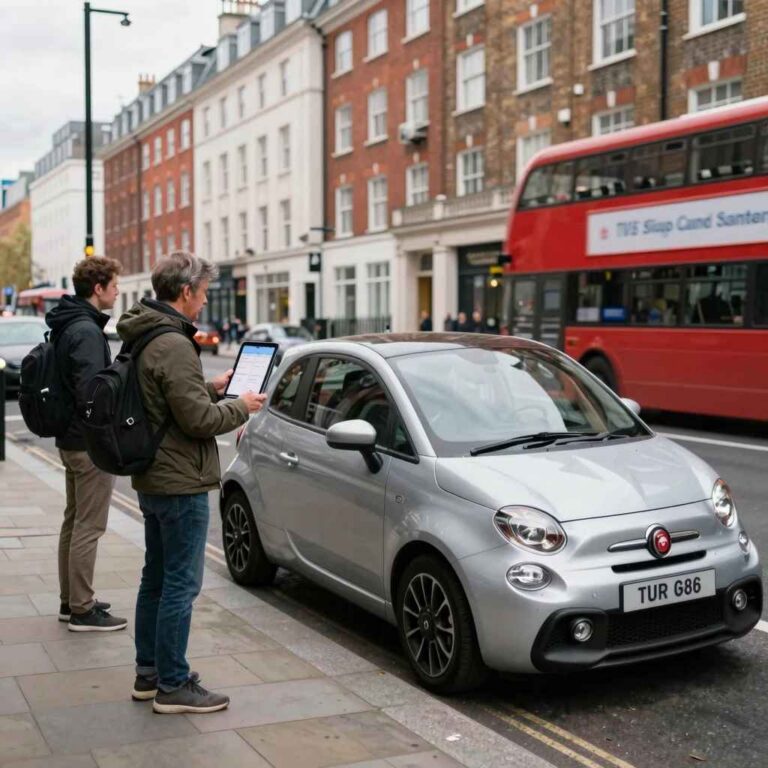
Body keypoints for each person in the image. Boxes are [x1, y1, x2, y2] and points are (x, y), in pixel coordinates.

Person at [117, 251, 266, 715]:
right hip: (179, 481)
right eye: (201, 294)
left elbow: (168, 400)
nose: (203, 303)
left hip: (154, 476)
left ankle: (150, 674)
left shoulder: (147, 333)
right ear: (185, 292)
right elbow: (198, 422)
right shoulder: (173, 342)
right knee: (181, 584)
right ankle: (174, 685)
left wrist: (213, 386)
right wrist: (242, 405)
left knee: (156, 579)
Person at [46, 256, 128, 632]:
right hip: (87, 443)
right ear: (98, 288)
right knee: (89, 526)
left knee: (73, 520)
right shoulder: (87, 332)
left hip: (70, 438)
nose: (118, 290)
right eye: (114, 284)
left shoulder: (71, 324)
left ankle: (70, 600)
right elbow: (93, 394)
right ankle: (82, 608)